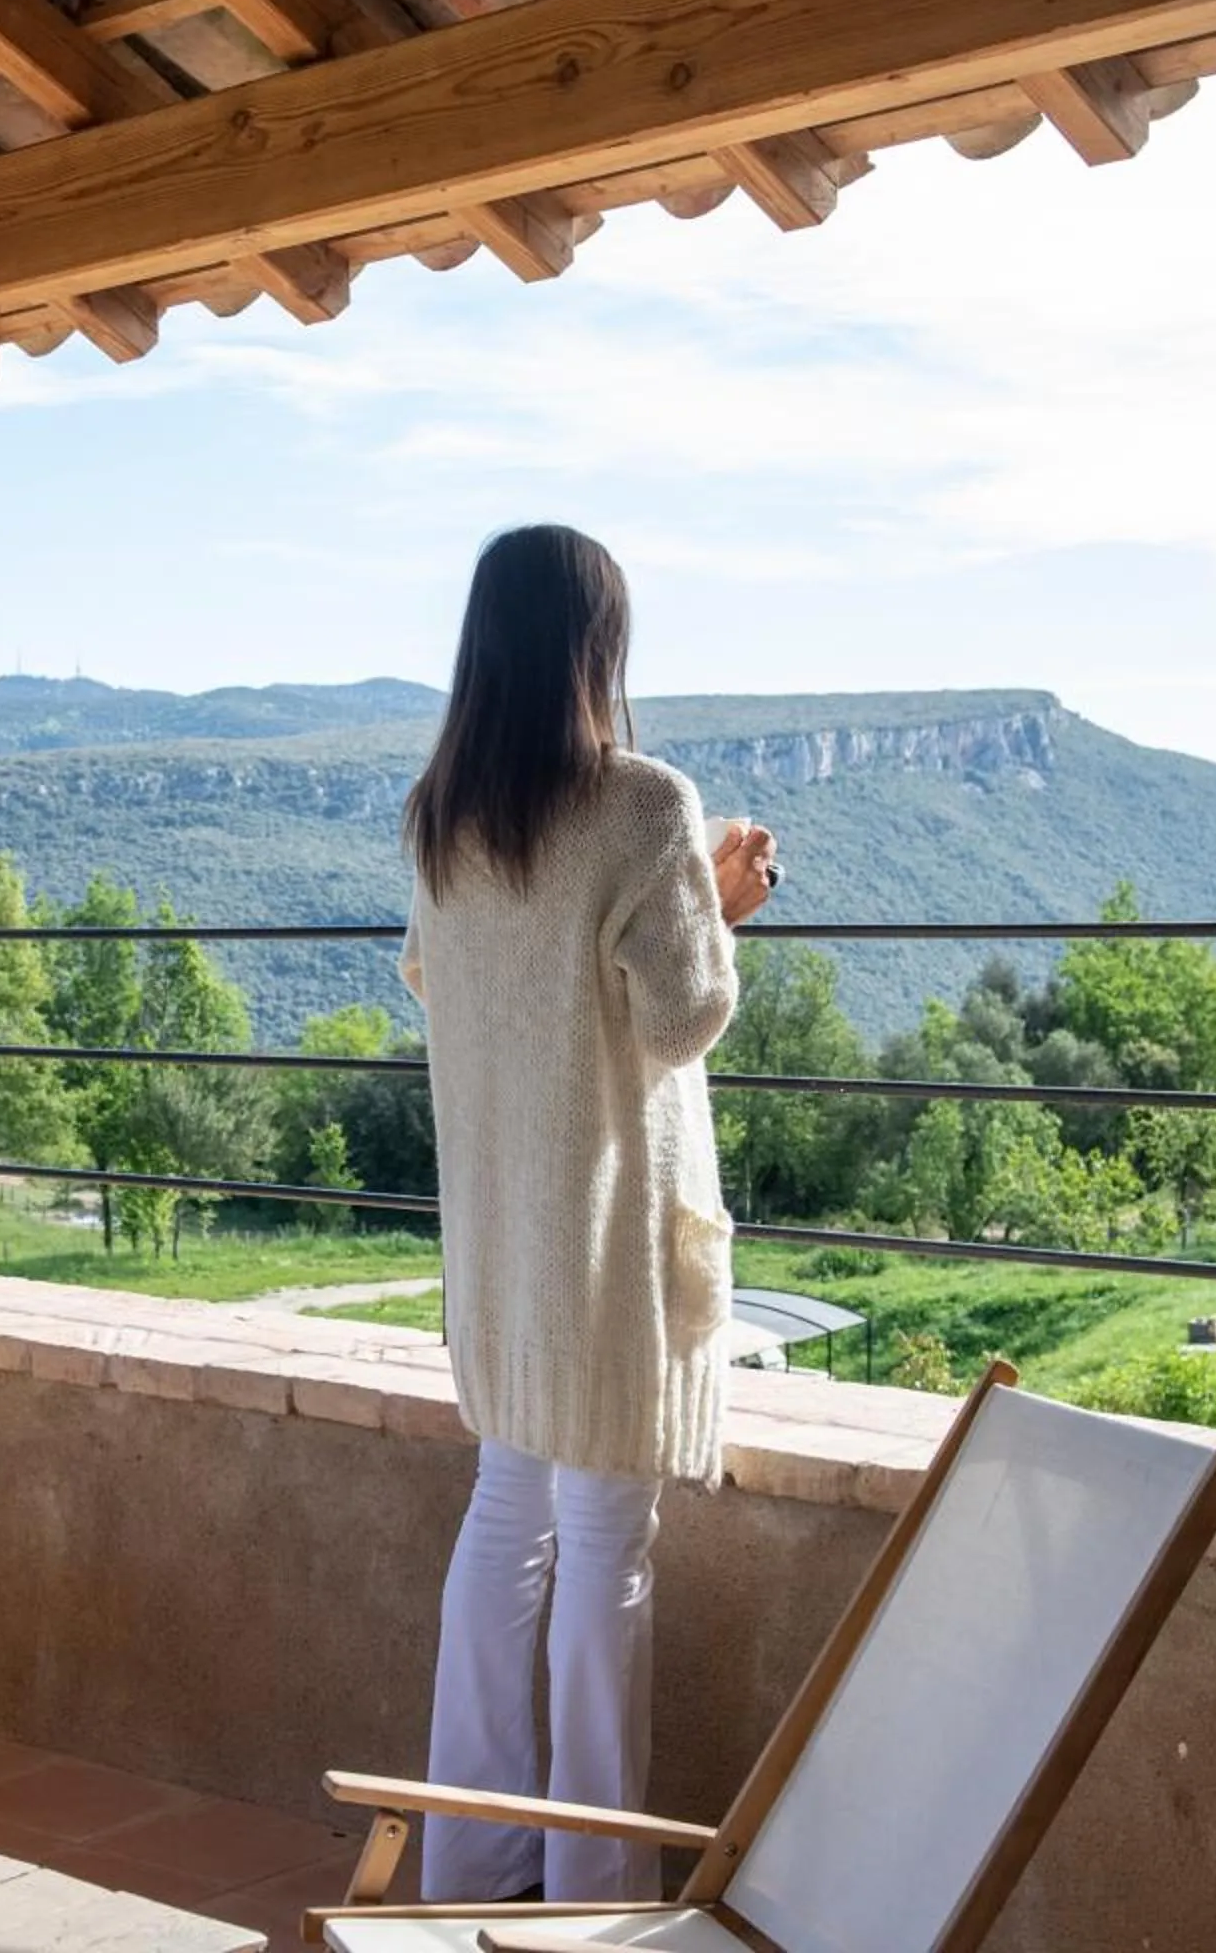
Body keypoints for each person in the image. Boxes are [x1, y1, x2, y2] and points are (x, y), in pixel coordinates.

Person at [399, 524, 776, 1905]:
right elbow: (681, 1018)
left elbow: (435, 981)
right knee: (607, 1546)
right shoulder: (643, 804)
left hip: (501, 1242)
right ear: (597, 644)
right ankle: (592, 1897)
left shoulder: (439, 813)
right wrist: (722, 905)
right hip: (607, 1245)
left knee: (507, 1520)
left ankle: (469, 1867)